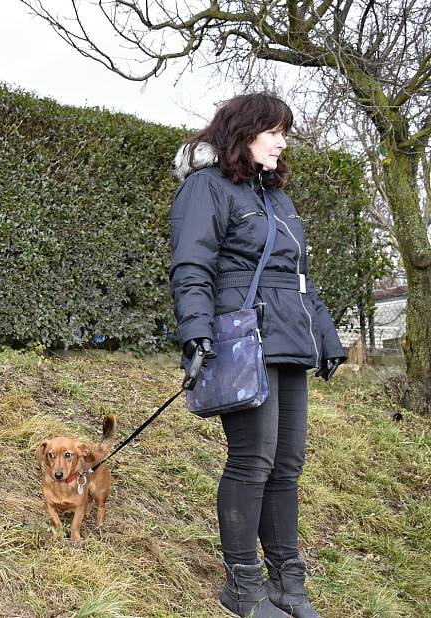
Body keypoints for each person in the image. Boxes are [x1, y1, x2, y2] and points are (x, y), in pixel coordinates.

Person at [169, 93, 346, 618]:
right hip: (242, 338)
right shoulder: (207, 187)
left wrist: (328, 338)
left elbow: (299, 280)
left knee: (287, 467)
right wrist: (196, 333)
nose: (282, 141)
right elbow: (192, 265)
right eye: (275, 131)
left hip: (291, 339)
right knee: (253, 461)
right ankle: (242, 588)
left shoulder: (278, 197)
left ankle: (288, 583)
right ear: (245, 132)